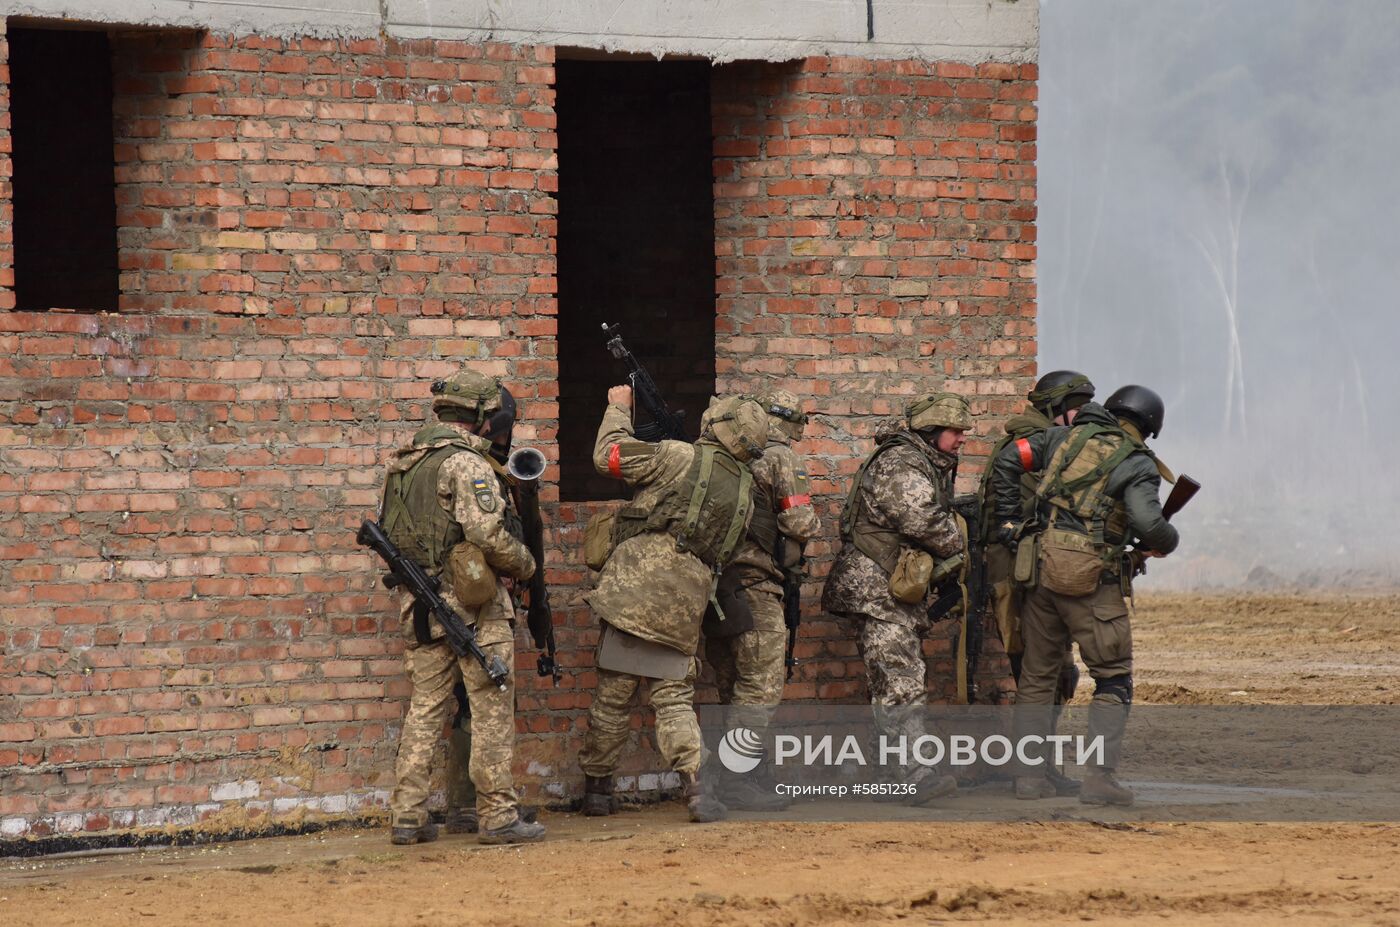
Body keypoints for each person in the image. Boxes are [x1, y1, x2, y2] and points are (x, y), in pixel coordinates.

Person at [578, 385, 768, 823]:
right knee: (674, 698)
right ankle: (698, 790)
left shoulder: (679, 456)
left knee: (614, 695)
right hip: (686, 604)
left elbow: (608, 456)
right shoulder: (745, 491)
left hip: (633, 592)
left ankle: (597, 791)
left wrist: (618, 409)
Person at [990, 385, 1179, 806]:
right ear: (1148, 427)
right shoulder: (1136, 462)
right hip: (1091, 581)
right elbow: (1150, 524)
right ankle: (1099, 779)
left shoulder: (1061, 438)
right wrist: (1168, 539)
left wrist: (1008, 521)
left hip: (1038, 572)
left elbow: (1008, 459)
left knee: (1037, 678)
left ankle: (1028, 779)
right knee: (1113, 677)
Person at [378, 369, 544, 845]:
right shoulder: (466, 463)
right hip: (473, 606)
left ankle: (407, 816)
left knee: (425, 711)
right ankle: (497, 816)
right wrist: (526, 563)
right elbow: (486, 535)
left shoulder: (403, 465)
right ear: (481, 415)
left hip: (421, 604)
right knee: (491, 709)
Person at [821, 391, 973, 803]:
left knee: (887, 682)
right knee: (901, 681)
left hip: (885, 590)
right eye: (956, 430)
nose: (962, 438)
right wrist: (960, 539)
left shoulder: (922, 460)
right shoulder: (902, 461)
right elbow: (920, 518)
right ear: (932, 429)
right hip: (876, 591)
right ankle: (916, 773)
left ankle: (889, 776)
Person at [976, 370, 1095, 795]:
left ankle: (1040, 768)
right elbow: (1034, 512)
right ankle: (1031, 772)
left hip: (1034, 572)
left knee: (1056, 673)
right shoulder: (1033, 446)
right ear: (1054, 408)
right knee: (1038, 672)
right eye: (1077, 406)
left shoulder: (1048, 441)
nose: (1083, 414)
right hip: (1019, 574)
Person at [703, 389, 821, 809]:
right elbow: (800, 522)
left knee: (732, 686)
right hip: (756, 586)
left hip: (713, 587)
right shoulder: (780, 456)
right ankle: (737, 779)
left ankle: (751, 772)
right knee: (760, 688)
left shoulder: (717, 455)